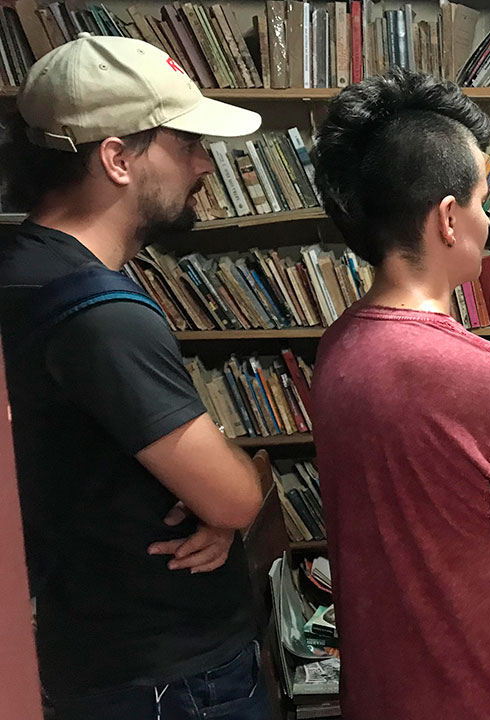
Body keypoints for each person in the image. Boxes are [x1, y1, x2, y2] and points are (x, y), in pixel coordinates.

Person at [309, 69, 490, 719]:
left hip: (389, 687)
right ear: (448, 217)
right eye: (482, 199)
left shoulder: (336, 348)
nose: (488, 220)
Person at [0, 35, 272, 719]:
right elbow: (237, 501)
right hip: (168, 677)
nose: (205, 165)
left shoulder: (25, 269)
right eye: (186, 144)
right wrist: (231, 497)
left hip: (91, 648)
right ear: (117, 159)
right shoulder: (97, 312)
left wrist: (211, 498)